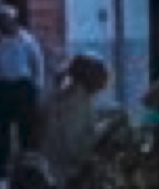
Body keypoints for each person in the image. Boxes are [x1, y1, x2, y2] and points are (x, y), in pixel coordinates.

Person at [0, 2, 47, 171]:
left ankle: (30, 164)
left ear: (14, 20)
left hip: (22, 86)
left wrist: (37, 86)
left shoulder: (27, 39)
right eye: (1, 19)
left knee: (27, 128)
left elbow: (37, 63)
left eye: (8, 19)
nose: (5, 23)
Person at [38, 50, 115, 179]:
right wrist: (103, 129)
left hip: (58, 168)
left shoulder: (69, 96)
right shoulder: (76, 102)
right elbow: (73, 149)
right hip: (66, 174)